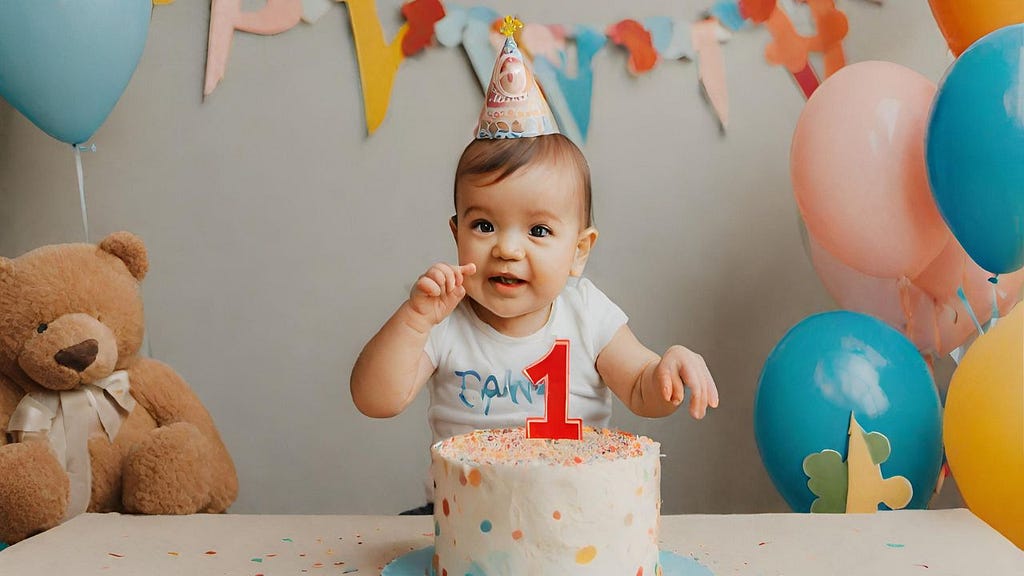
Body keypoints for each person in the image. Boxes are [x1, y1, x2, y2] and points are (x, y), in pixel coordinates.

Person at [350, 17, 718, 515]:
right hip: (465, 518)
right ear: (456, 233)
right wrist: (415, 320)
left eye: (539, 231)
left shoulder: (587, 314)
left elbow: (638, 387)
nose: (507, 249)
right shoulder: (445, 321)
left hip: (574, 513)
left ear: (579, 251)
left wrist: (667, 373)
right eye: (484, 226)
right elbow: (376, 400)